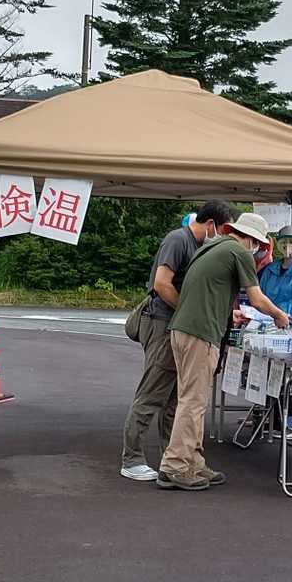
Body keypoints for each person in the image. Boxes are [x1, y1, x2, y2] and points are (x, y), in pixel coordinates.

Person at [157, 212, 291, 490]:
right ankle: (175, 466)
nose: (258, 249)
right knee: (192, 402)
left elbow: (208, 292)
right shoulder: (239, 252)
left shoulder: (211, 247)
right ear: (252, 240)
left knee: (191, 399)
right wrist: (279, 315)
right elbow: (257, 298)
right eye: (258, 244)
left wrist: (230, 313)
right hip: (200, 333)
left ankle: (194, 462)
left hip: (181, 329)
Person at [119, 200, 237, 481]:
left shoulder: (201, 247)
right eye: (224, 230)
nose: (225, 237)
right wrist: (189, 311)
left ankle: (176, 461)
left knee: (177, 400)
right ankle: (132, 458)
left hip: (179, 327)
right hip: (163, 323)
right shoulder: (178, 240)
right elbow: (161, 283)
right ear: (211, 225)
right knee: (152, 393)